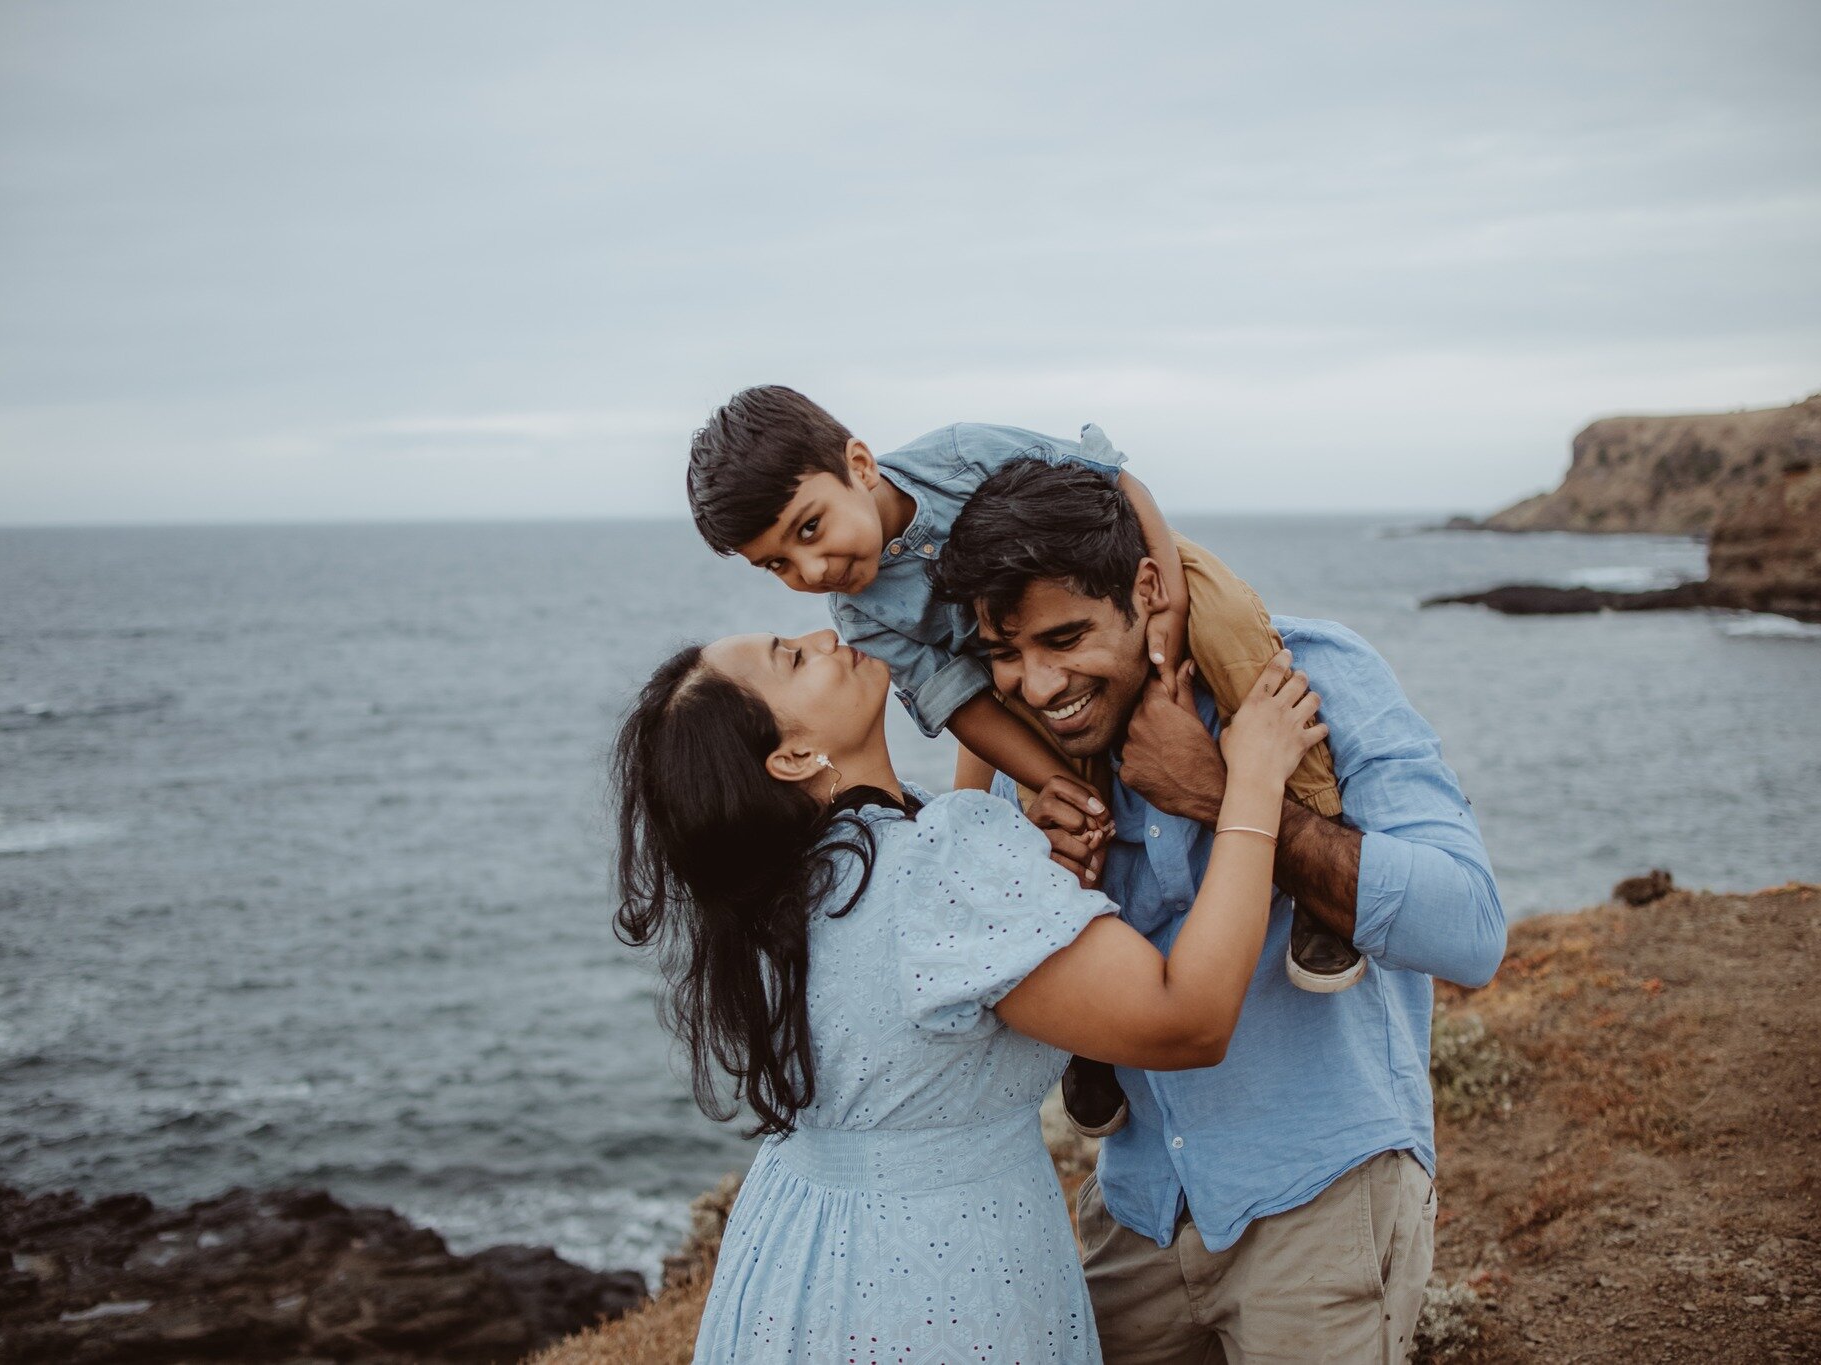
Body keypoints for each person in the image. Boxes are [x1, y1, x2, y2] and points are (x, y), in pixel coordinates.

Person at [612, 622, 1325, 1363]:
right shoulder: (935, 868)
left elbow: (927, 971)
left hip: (798, 1263)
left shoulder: (781, 890)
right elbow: (1189, 1019)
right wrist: (1252, 781)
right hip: (942, 1272)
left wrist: (1017, 846)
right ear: (791, 756)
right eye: (793, 658)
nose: (825, 632)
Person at [932, 457, 1507, 1364]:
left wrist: (1227, 792)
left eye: (1066, 637)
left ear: (1147, 588)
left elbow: (1471, 931)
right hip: (1136, 1211)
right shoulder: (1036, 754)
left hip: (1324, 1202)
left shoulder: (1312, 674)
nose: (1038, 685)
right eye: (1006, 655)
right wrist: (1038, 889)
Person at [684, 385, 1363, 1142]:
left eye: (810, 528)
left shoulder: (957, 455)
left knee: (1238, 641)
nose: (811, 570)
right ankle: (1090, 1027)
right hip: (1026, 672)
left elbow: (1111, 479)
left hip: (1132, 574)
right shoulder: (861, 614)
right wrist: (1057, 778)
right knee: (1067, 825)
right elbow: (965, 705)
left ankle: (1320, 877)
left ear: (860, 464)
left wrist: (1166, 596)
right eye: (777, 563)